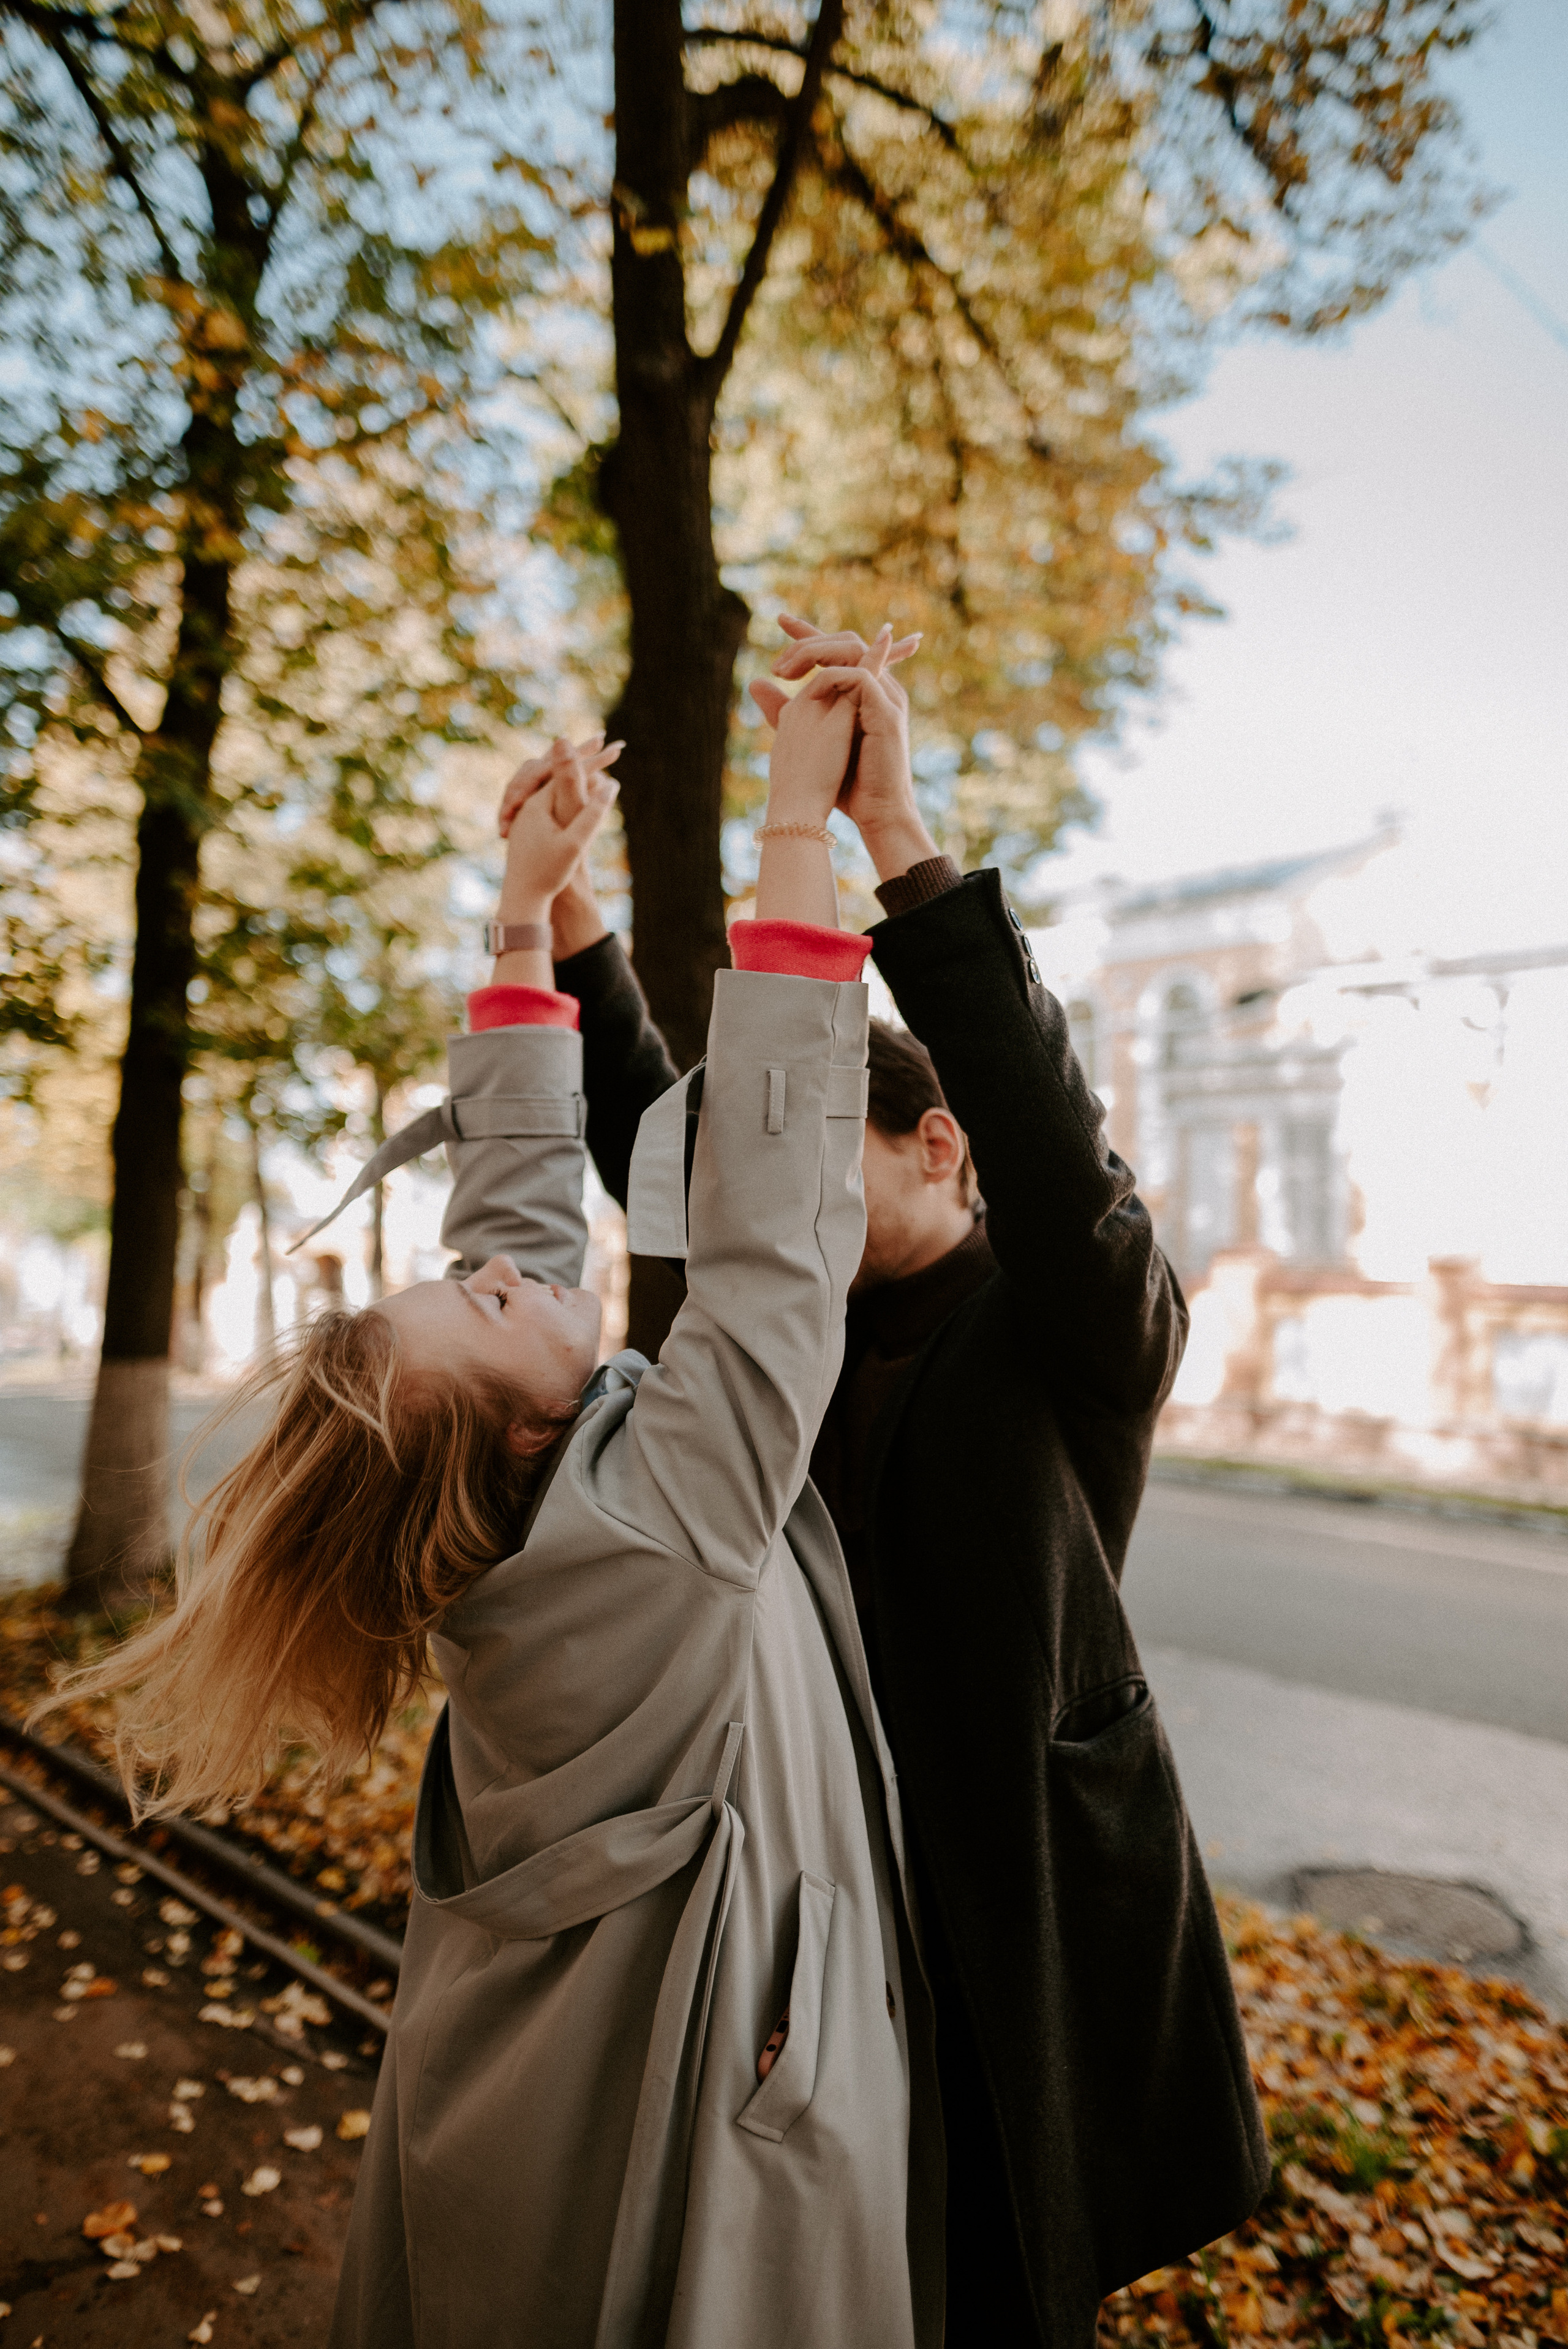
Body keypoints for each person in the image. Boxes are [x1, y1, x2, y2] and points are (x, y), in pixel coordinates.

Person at [37, 673, 945, 2349]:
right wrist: (797, 832)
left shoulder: (504, 1521)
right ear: (533, 1422)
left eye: (478, 1279)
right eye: (497, 1304)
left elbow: (518, 1209)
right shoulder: (664, 1522)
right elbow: (770, 1242)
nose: (512, 1275)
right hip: (731, 2082)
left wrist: (525, 919)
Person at [547, 616, 1270, 2349]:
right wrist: (566, 920)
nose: (765, 1177)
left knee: (1004, 2265)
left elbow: (1046, 1126)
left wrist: (897, 845)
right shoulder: (782, 1321)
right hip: (819, 1870)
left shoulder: (1066, 1320)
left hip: (1013, 1903)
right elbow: (655, 1119)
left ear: (934, 1143)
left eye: (815, 1141)